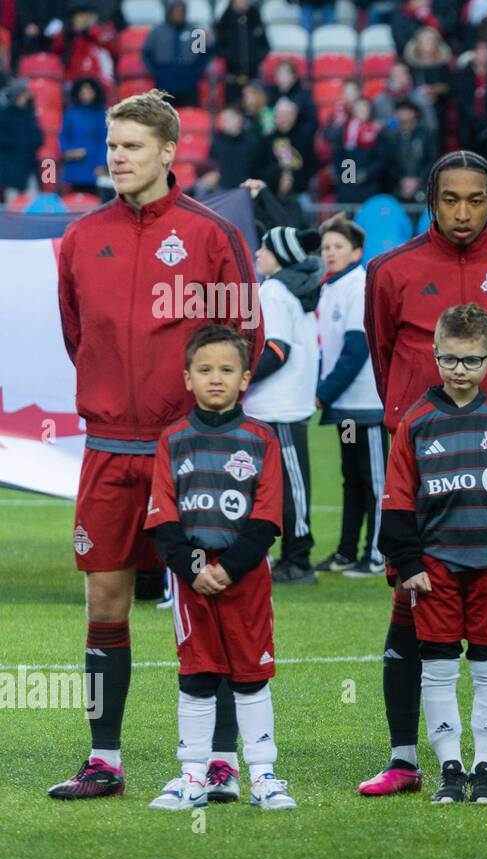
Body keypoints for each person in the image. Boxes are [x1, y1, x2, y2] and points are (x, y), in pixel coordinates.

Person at [50, 90, 263, 801]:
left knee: (213, 599)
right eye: (112, 145)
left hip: (190, 452)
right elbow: (77, 334)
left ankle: (221, 761)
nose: (117, 157)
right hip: (108, 447)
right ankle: (104, 759)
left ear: (169, 152)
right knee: (105, 601)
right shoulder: (80, 238)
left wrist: (199, 422)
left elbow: (244, 339)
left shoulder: (210, 235)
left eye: (132, 146)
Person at [361, 151, 487, 798]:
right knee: (410, 611)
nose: (463, 211)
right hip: (423, 472)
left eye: (475, 199)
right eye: (450, 199)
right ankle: (405, 758)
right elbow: (387, 357)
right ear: (431, 201)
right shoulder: (391, 271)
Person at [379, 304, 487, 805]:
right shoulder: (417, 423)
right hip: (436, 572)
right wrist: (408, 565)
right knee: (440, 666)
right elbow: (398, 501)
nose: (459, 371)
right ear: (434, 355)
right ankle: (450, 767)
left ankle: (486, 768)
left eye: (471, 361)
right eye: (449, 360)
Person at [143, 325, 295, 811]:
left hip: (245, 579)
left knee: (251, 676)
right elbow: (163, 517)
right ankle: (192, 776)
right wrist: (194, 570)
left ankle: (265, 776)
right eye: (204, 370)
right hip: (191, 583)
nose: (215, 379)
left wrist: (227, 569)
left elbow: (268, 517)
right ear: (187, 377)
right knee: (197, 675)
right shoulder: (172, 440)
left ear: (245, 378)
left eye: (226, 370)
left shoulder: (261, 439)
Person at [246, 226, 324, 585]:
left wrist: (242, 379)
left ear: (279, 255)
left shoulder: (275, 290)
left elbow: (276, 350)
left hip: (277, 404)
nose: (258, 253)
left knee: (289, 485)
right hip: (286, 402)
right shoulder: (294, 288)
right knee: (284, 484)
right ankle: (287, 554)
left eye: (264, 248)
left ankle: (298, 559)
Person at [313, 214, 387, 578]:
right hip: (345, 408)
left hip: (367, 404)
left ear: (356, 252)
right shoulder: (328, 288)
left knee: (375, 481)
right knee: (351, 477)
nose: (330, 253)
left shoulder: (359, 286)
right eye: (326, 247)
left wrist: (322, 393)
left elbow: (356, 351)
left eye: (338, 247)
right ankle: (346, 551)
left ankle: (376, 554)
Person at [59, 78, 108, 197]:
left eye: (89, 91)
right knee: (74, 200)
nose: (86, 95)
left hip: (93, 164)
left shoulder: (102, 114)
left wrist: (101, 164)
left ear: (96, 93)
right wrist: (67, 151)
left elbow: (105, 140)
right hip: (74, 163)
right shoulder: (71, 112)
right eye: (83, 92)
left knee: (94, 200)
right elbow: (64, 135)